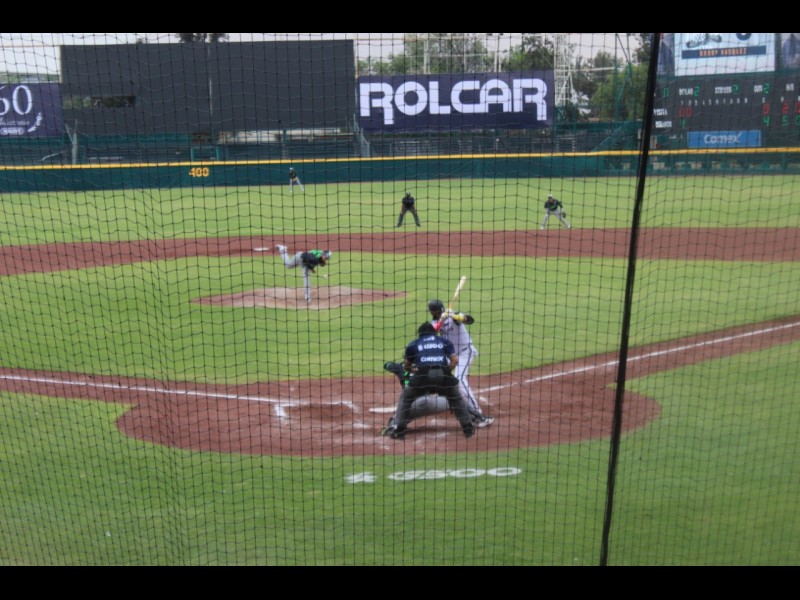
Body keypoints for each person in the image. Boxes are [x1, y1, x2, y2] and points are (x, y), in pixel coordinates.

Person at [384, 322, 475, 440]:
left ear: (420, 334)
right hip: (442, 374)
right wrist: (445, 371)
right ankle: (468, 428)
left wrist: (415, 371)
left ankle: (399, 431)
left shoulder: (414, 344)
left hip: (423, 376)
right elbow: (454, 361)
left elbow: (406, 365)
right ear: (434, 332)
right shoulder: (444, 341)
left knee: (406, 398)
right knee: (456, 398)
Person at [428, 299, 494, 428]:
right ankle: (448, 399)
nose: (432, 313)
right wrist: (441, 320)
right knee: (433, 371)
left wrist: (454, 316)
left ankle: (478, 415)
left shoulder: (454, 317)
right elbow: (432, 332)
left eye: (433, 311)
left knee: (459, 379)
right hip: (451, 355)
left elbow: (469, 319)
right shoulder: (434, 322)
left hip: (465, 352)